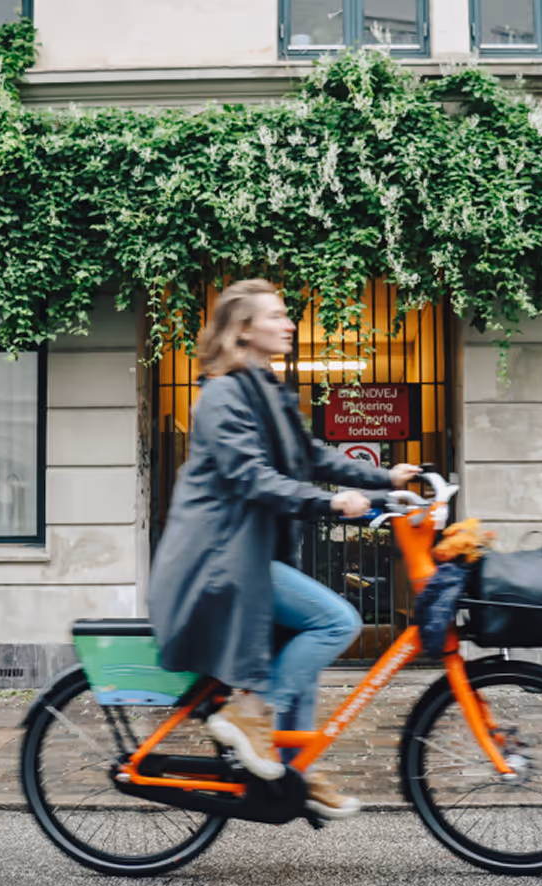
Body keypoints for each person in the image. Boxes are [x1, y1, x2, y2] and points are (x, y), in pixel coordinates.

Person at [148, 279, 420, 819]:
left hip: (247, 557)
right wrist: (330, 502)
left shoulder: (265, 391)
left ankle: (295, 767)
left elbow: (313, 455)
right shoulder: (222, 395)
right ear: (243, 329)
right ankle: (251, 712)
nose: (289, 323)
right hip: (217, 561)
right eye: (275, 315)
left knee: (307, 636)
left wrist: (386, 477)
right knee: (336, 622)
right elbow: (251, 477)